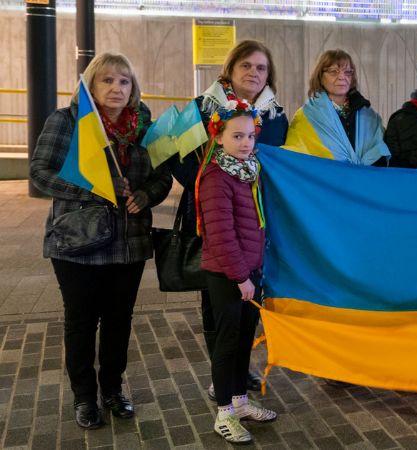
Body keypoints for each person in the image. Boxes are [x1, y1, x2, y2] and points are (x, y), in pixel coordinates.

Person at [30, 53, 172, 429]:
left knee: (118, 322)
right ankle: (84, 397)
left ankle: (112, 389)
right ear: (91, 84)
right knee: (80, 322)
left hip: (129, 243)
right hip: (77, 243)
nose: (116, 88)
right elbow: (40, 174)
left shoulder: (146, 127)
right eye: (107, 80)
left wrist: (145, 195)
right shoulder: (68, 121)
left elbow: (162, 178)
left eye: (124, 81)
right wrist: (95, 190)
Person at [166, 39, 287, 398]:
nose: (253, 73)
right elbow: (177, 157)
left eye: (261, 68)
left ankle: (239, 370)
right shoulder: (201, 108)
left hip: (252, 220)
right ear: (230, 70)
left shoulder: (276, 115)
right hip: (212, 215)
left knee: (246, 304)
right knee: (216, 300)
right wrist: (209, 185)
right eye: (246, 65)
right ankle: (220, 374)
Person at [196, 99, 278, 443]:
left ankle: (241, 402)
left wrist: (253, 272)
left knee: (245, 338)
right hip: (228, 274)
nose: (245, 143)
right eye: (237, 136)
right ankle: (224, 414)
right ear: (218, 138)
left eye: (249, 136)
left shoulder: (247, 169)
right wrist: (240, 277)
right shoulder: (217, 177)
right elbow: (221, 233)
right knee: (227, 343)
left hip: (250, 271)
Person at [284, 49, 390, 165]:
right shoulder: (306, 115)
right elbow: (294, 158)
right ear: (320, 77)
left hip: (365, 180)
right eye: (333, 71)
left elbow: (381, 151)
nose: (341, 77)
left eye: (347, 72)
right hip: (325, 182)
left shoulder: (369, 115)